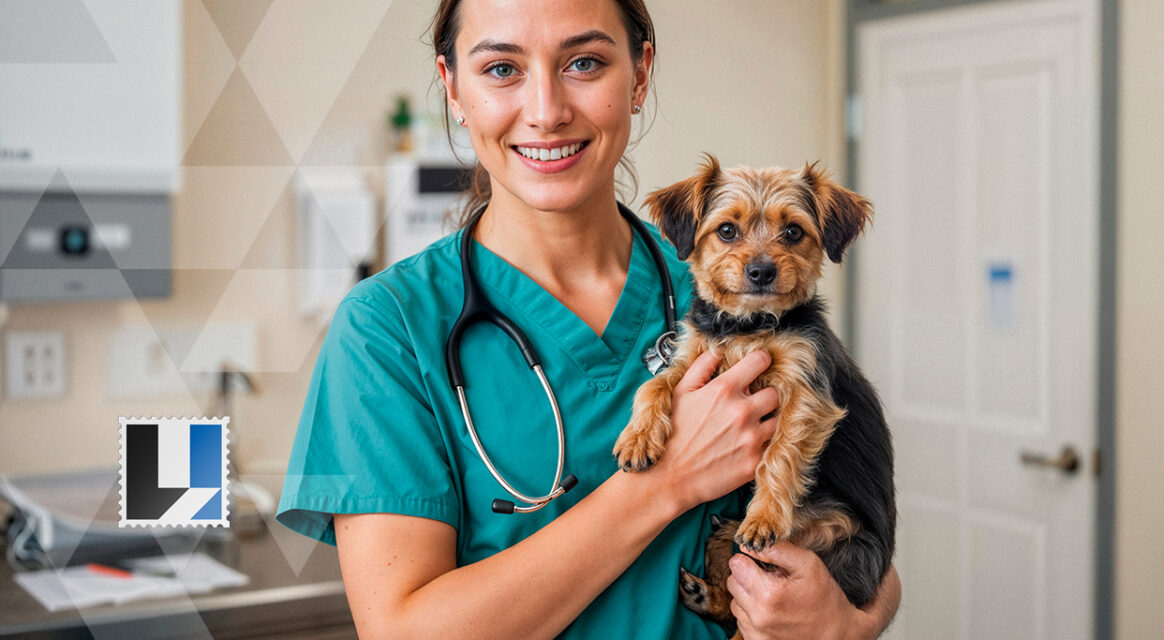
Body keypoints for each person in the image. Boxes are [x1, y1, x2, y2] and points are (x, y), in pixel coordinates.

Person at [275, 0, 901, 638]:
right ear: (453, 87)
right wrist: (665, 484)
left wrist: (851, 624)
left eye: (584, 62)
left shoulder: (726, 290)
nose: (546, 111)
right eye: (500, 69)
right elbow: (403, 630)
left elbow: (856, 512)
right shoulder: (388, 328)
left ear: (638, 75)